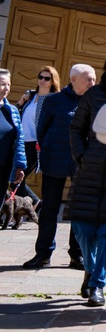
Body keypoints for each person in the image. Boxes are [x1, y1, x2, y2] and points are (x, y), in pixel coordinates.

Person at [68, 47, 106, 307]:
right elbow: (76, 128)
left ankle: (97, 284)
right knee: (82, 228)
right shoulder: (95, 94)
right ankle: (92, 270)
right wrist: (82, 156)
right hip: (90, 171)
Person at [24, 63, 95, 269]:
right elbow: (41, 129)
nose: (93, 83)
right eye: (88, 79)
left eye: (94, 78)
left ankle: (77, 255)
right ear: (74, 79)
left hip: (82, 164)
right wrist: (47, 149)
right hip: (54, 160)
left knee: (78, 210)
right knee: (49, 210)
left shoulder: (94, 101)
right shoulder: (54, 101)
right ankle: (43, 254)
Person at [16, 64, 58, 204]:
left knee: (18, 177)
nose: (43, 80)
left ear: (53, 81)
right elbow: (16, 114)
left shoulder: (53, 100)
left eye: (47, 78)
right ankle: (34, 204)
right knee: (15, 177)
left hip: (35, 144)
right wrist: (21, 101)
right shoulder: (31, 95)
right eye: (41, 77)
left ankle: (32, 204)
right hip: (20, 141)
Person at [0, 70, 29, 221]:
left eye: (8, 85)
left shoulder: (12, 111)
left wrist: (20, 165)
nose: (6, 88)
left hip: (4, 170)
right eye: (2, 84)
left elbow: (19, 140)